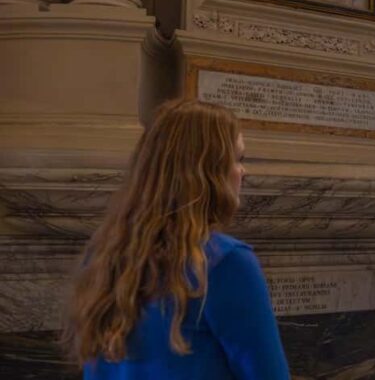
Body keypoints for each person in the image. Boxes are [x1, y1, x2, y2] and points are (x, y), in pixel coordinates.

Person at [63, 100, 290, 380]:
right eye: (237, 159)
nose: (242, 171)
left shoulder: (104, 253)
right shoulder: (226, 262)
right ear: (207, 170)